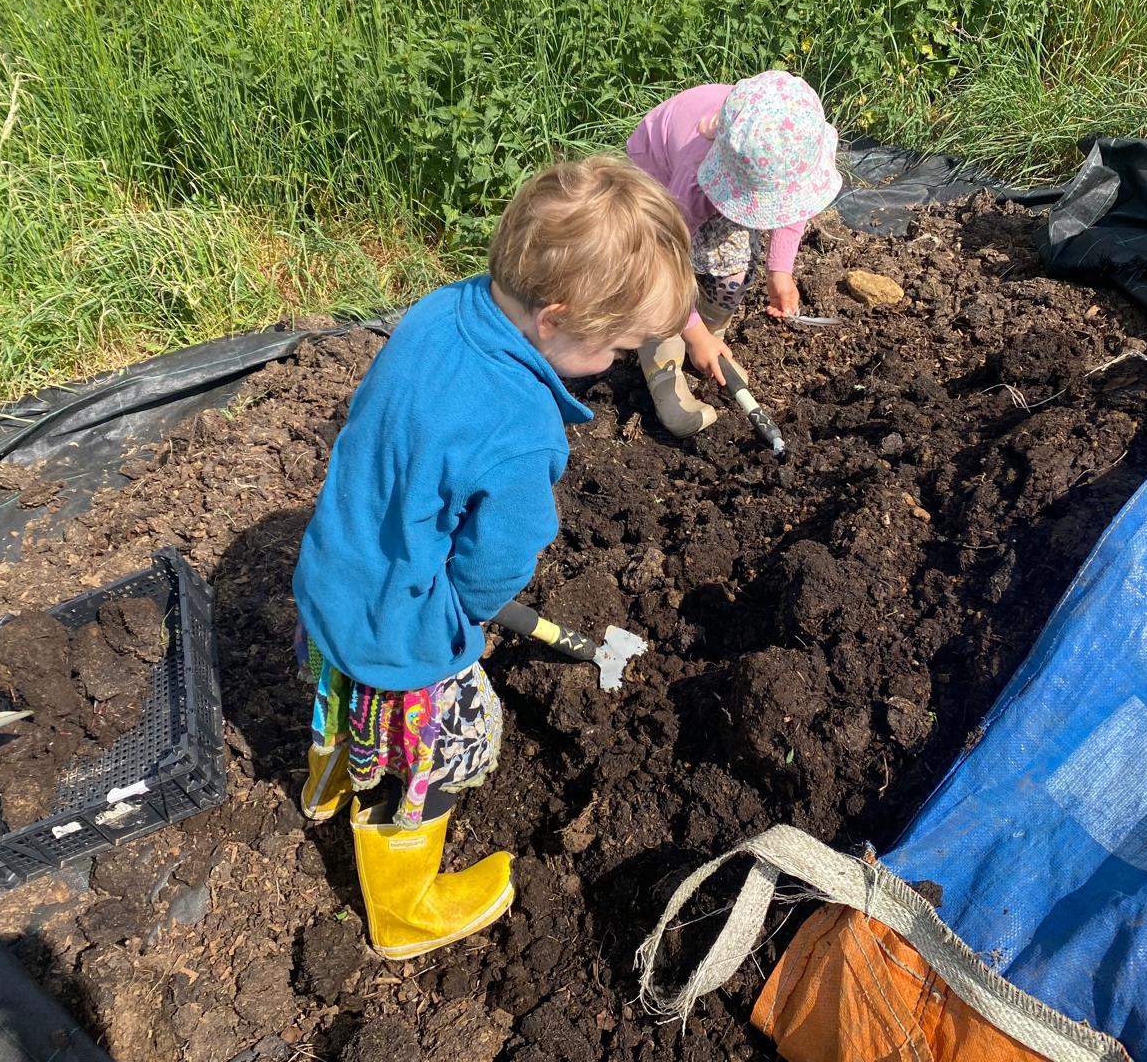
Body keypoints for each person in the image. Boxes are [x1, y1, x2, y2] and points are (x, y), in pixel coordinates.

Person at [291, 156, 694, 959]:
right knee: (450, 740)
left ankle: (326, 786)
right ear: (555, 317)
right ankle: (403, 909)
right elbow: (495, 564)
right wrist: (462, 622)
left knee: (339, 688)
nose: (616, 363)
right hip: (400, 629)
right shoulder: (521, 428)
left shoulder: (438, 312)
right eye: (614, 346)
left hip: (331, 572)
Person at [626, 70, 843, 436]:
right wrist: (692, 334)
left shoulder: (785, 145)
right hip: (657, 177)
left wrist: (780, 272)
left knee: (734, 268)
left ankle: (710, 340)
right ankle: (663, 361)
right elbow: (661, 265)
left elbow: (792, 206)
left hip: (729, 179)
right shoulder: (692, 184)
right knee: (652, 275)